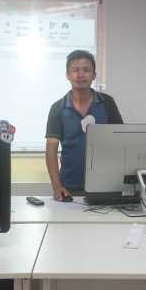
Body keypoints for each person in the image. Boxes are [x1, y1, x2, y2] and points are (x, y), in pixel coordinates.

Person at [45, 50, 123, 200]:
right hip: (69, 188)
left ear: (94, 75)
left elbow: (121, 140)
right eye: (75, 70)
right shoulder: (57, 108)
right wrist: (56, 186)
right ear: (68, 75)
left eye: (86, 70)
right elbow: (51, 151)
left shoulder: (107, 103)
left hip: (106, 185)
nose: (80, 75)